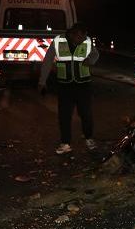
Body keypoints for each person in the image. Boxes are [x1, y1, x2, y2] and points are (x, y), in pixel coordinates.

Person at [38, 22, 100, 154]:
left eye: (84, 38)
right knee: (64, 116)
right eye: (80, 38)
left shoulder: (87, 41)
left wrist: (91, 61)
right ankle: (65, 143)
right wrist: (42, 80)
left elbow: (95, 54)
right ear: (73, 34)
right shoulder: (58, 41)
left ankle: (89, 139)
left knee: (86, 114)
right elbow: (48, 60)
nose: (82, 41)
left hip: (83, 84)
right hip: (65, 85)